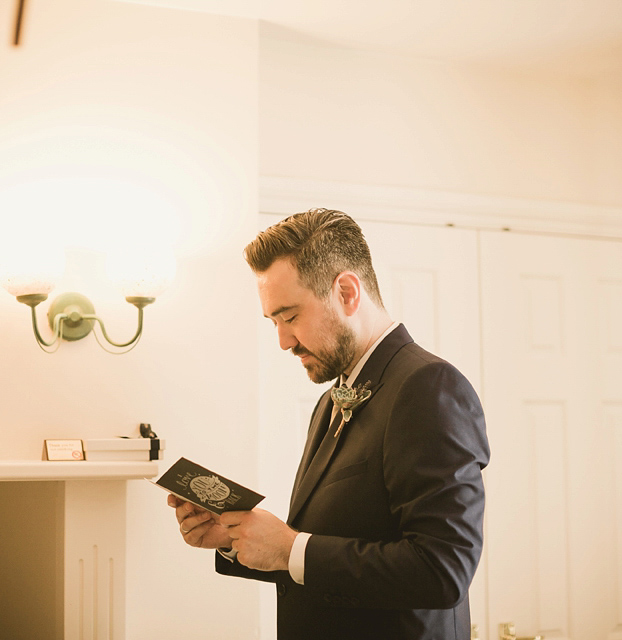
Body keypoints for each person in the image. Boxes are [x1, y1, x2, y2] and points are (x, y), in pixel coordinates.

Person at [168, 208, 489, 640]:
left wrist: (289, 549)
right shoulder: (328, 403)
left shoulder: (428, 387)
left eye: (290, 316)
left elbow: (442, 570)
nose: (283, 341)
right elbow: (325, 555)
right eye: (275, 322)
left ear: (347, 292)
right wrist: (234, 538)